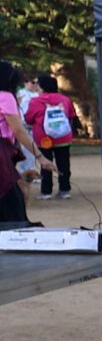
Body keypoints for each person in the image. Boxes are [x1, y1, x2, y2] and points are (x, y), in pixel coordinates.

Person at [0, 60, 52, 225]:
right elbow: (19, 131)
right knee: (12, 205)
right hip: (2, 156)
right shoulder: (5, 97)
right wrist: (40, 157)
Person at [24, 73, 78, 200]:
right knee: (64, 163)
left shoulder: (36, 101)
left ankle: (46, 191)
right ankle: (64, 189)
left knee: (45, 163)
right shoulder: (65, 99)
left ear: (42, 87)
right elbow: (71, 115)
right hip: (63, 137)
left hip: (44, 138)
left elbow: (29, 118)